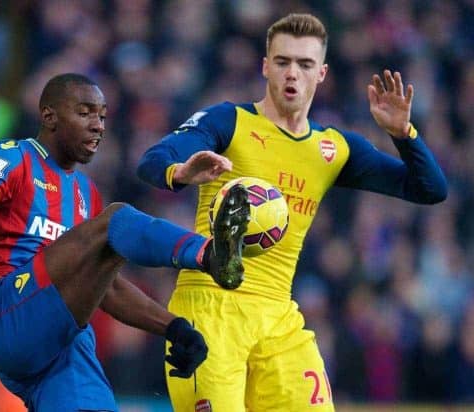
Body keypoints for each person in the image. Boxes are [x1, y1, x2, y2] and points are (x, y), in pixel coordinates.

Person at [137, 13, 448, 412]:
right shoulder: (229, 122)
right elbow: (152, 160)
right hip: (210, 305)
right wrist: (180, 172)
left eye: (304, 64)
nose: (292, 73)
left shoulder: (333, 149)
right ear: (266, 66)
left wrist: (404, 134)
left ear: (321, 73)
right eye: (282, 61)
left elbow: (430, 189)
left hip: (278, 316)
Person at [0, 73, 251, 411]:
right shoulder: (15, 159)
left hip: (58, 343)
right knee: (117, 220)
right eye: (85, 112)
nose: (98, 125)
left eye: (102, 116)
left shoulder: (86, 194)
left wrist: (174, 328)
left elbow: (109, 288)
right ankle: (208, 254)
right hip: (4, 313)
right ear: (49, 116)